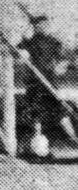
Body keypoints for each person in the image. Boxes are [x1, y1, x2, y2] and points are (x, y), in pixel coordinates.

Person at [17, 14, 77, 145]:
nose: (43, 28)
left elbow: (64, 58)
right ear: (35, 27)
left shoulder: (54, 42)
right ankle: (36, 142)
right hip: (34, 82)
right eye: (39, 26)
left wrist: (60, 66)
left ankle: (73, 138)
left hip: (49, 82)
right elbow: (18, 52)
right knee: (35, 112)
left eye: (45, 25)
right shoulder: (29, 42)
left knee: (60, 110)